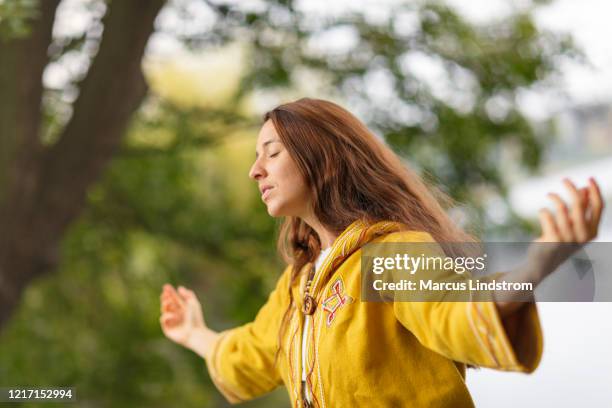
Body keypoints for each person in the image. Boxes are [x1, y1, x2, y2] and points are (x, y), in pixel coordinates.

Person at [159, 98, 604, 407]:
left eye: (271, 153)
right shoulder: (299, 283)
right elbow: (252, 355)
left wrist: (540, 262)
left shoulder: (391, 256)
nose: (255, 170)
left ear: (321, 156)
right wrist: (194, 333)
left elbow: (456, 309)